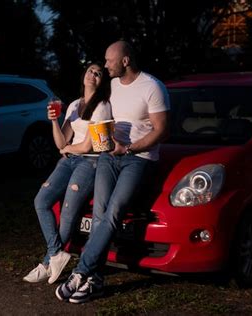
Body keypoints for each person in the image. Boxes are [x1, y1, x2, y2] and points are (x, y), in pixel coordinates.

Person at [55, 40, 170, 303]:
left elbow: (163, 130)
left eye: (109, 60)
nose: (105, 65)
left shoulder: (152, 87)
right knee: (99, 213)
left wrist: (129, 148)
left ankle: (81, 271)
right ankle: (95, 281)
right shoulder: (111, 86)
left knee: (114, 212)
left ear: (126, 61)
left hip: (139, 159)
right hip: (108, 156)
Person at [23, 63, 112, 284]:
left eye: (99, 73)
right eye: (91, 70)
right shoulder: (73, 105)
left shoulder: (102, 106)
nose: (94, 74)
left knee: (68, 211)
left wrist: (67, 149)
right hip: (68, 160)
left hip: (89, 163)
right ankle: (55, 254)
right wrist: (53, 120)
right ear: (83, 76)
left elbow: (88, 146)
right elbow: (61, 141)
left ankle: (46, 265)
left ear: (102, 82)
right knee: (41, 201)